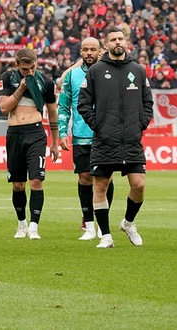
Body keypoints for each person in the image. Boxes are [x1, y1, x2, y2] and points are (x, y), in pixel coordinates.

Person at [78, 29, 154, 249]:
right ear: (107, 44)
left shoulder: (138, 71)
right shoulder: (96, 71)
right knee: (100, 186)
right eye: (113, 39)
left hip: (131, 139)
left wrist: (141, 123)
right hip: (105, 140)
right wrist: (99, 126)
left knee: (139, 185)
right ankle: (106, 236)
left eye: (120, 39)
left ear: (126, 42)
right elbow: (83, 103)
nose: (117, 42)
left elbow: (147, 102)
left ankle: (128, 223)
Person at [0, 48, 60, 240]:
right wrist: (22, 88)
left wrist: (55, 142)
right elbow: (3, 107)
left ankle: (34, 226)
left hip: (35, 133)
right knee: (18, 184)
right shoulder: (8, 78)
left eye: (32, 67)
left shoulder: (46, 82)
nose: (29, 72)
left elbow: (52, 112)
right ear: (17, 65)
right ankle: (21, 223)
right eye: (25, 69)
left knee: (36, 180)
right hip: (15, 132)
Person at [59, 37, 114, 241]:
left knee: (105, 180)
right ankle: (89, 226)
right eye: (85, 50)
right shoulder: (72, 75)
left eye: (93, 49)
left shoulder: (108, 73)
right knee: (84, 178)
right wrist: (63, 132)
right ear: (80, 52)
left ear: (100, 51)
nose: (89, 53)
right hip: (81, 135)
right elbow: (63, 106)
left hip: (105, 135)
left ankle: (103, 224)